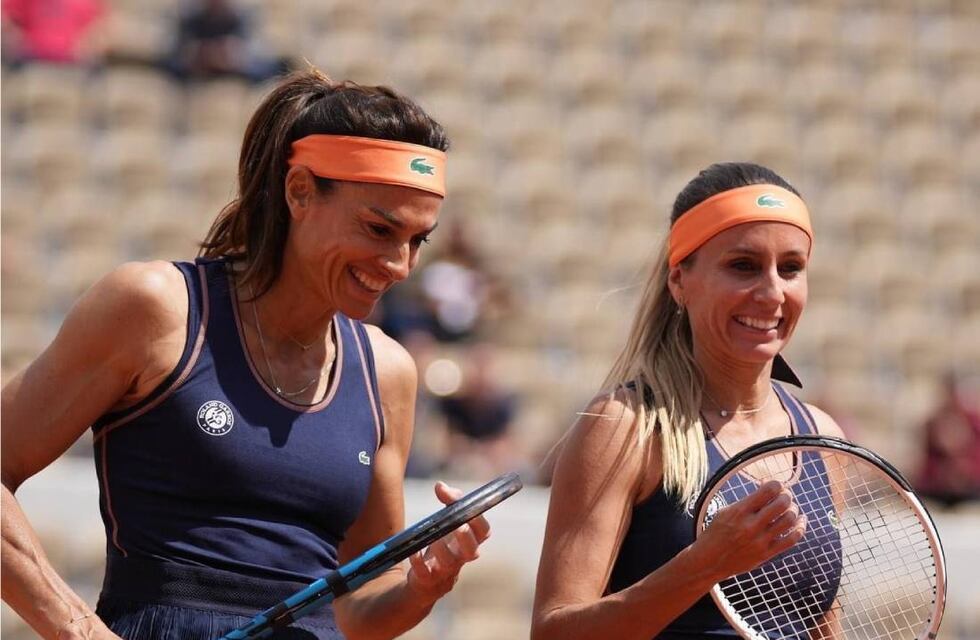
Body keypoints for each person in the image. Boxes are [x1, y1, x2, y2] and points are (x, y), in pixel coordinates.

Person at [1, 70, 491, 640]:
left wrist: (421, 588)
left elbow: (357, 607)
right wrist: (81, 630)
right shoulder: (156, 308)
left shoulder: (389, 371)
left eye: (417, 241)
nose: (401, 265)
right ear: (300, 191)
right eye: (379, 229)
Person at [531, 162, 848, 639]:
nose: (771, 292)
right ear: (679, 281)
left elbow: (822, 626)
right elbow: (553, 632)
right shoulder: (625, 427)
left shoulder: (822, 437)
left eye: (790, 268)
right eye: (743, 266)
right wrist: (702, 566)